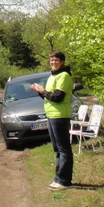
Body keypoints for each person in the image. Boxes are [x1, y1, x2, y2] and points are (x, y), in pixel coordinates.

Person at [30, 50, 74, 191]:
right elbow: (49, 97)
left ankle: (64, 181)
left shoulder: (64, 76)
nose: (53, 62)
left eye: (56, 60)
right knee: (57, 148)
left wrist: (43, 91)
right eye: (51, 60)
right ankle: (58, 179)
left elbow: (57, 97)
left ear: (62, 62)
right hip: (51, 115)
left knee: (63, 148)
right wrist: (40, 91)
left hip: (60, 115)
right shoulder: (52, 76)